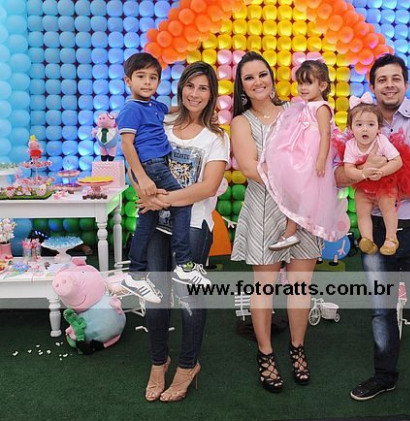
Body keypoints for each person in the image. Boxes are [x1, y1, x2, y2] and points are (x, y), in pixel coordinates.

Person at [335, 54, 410, 421]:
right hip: (374, 234)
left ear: (405, 83)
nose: (389, 85)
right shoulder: (358, 122)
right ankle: (385, 376)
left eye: (395, 79)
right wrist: (362, 177)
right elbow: (338, 175)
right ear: (372, 86)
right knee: (380, 310)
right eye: (382, 79)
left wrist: (393, 192)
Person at [131, 61, 229, 402]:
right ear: (180, 87)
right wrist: (143, 190)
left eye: (203, 88)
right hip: (155, 223)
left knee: (189, 296)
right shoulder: (162, 121)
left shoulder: (216, 138)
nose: (195, 94)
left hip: (193, 226)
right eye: (190, 85)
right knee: (155, 295)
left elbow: (208, 187)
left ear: (211, 94)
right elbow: (136, 164)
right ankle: (159, 362)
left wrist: (163, 199)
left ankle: (188, 365)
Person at [230, 51, 321, 392]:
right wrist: (291, 178)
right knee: (264, 285)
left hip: (303, 208)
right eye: (249, 77)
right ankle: (266, 352)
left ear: (272, 77)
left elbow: (315, 151)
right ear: (241, 86)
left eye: (262, 74)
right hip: (265, 208)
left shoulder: (297, 111)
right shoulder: (241, 123)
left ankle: (297, 347)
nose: (257, 82)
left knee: (300, 284)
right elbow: (250, 168)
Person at [117, 52, 203, 304]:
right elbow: (127, 145)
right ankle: (184, 263)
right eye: (140, 76)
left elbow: (175, 109)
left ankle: (135, 274)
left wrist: (197, 109)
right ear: (128, 81)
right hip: (151, 166)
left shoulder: (154, 105)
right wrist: (142, 177)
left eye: (153, 78)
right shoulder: (131, 109)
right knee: (182, 203)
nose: (147, 82)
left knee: (148, 217)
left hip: (159, 164)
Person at [258, 59, 349, 249]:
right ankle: (290, 231)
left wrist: (321, 160)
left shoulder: (322, 108)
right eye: (300, 83)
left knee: (303, 190)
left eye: (308, 83)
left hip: (313, 155)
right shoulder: (305, 106)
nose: (302, 88)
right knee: (294, 190)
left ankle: (292, 232)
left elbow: (325, 134)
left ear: (322, 85)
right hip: (302, 152)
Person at [343, 95, 410, 255]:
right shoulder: (350, 145)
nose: (365, 129)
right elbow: (348, 169)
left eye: (371, 124)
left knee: (388, 207)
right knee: (362, 210)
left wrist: (382, 172)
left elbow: (397, 161)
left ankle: (391, 238)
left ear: (379, 127)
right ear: (350, 128)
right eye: (359, 124)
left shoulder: (381, 141)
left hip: (384, 183)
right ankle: (367, 239)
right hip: (364, 184)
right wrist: (362, 173)